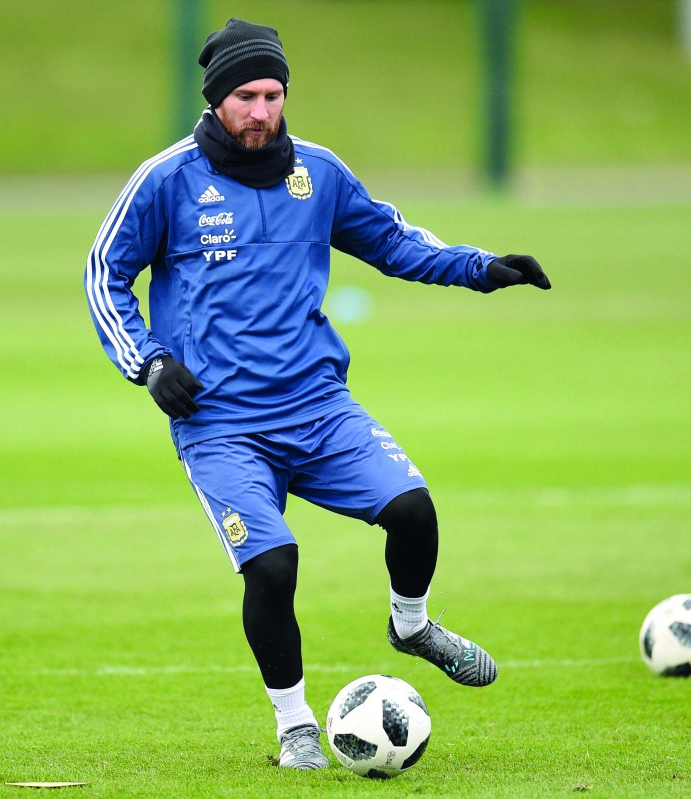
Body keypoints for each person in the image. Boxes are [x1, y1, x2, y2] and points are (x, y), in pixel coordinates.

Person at [85, 18, 551, 771]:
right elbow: (103, 272)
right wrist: (150, 363)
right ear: (215, 100)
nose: (261, 111)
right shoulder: (167, 179)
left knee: (414, 510)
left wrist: (479, 267)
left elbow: (391, 240)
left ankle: (411, 625)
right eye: (246, 97)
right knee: (273, 566)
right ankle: (295, 724)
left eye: (272, 95)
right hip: (220, 423)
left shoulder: (319, 174)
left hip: (318, 406)